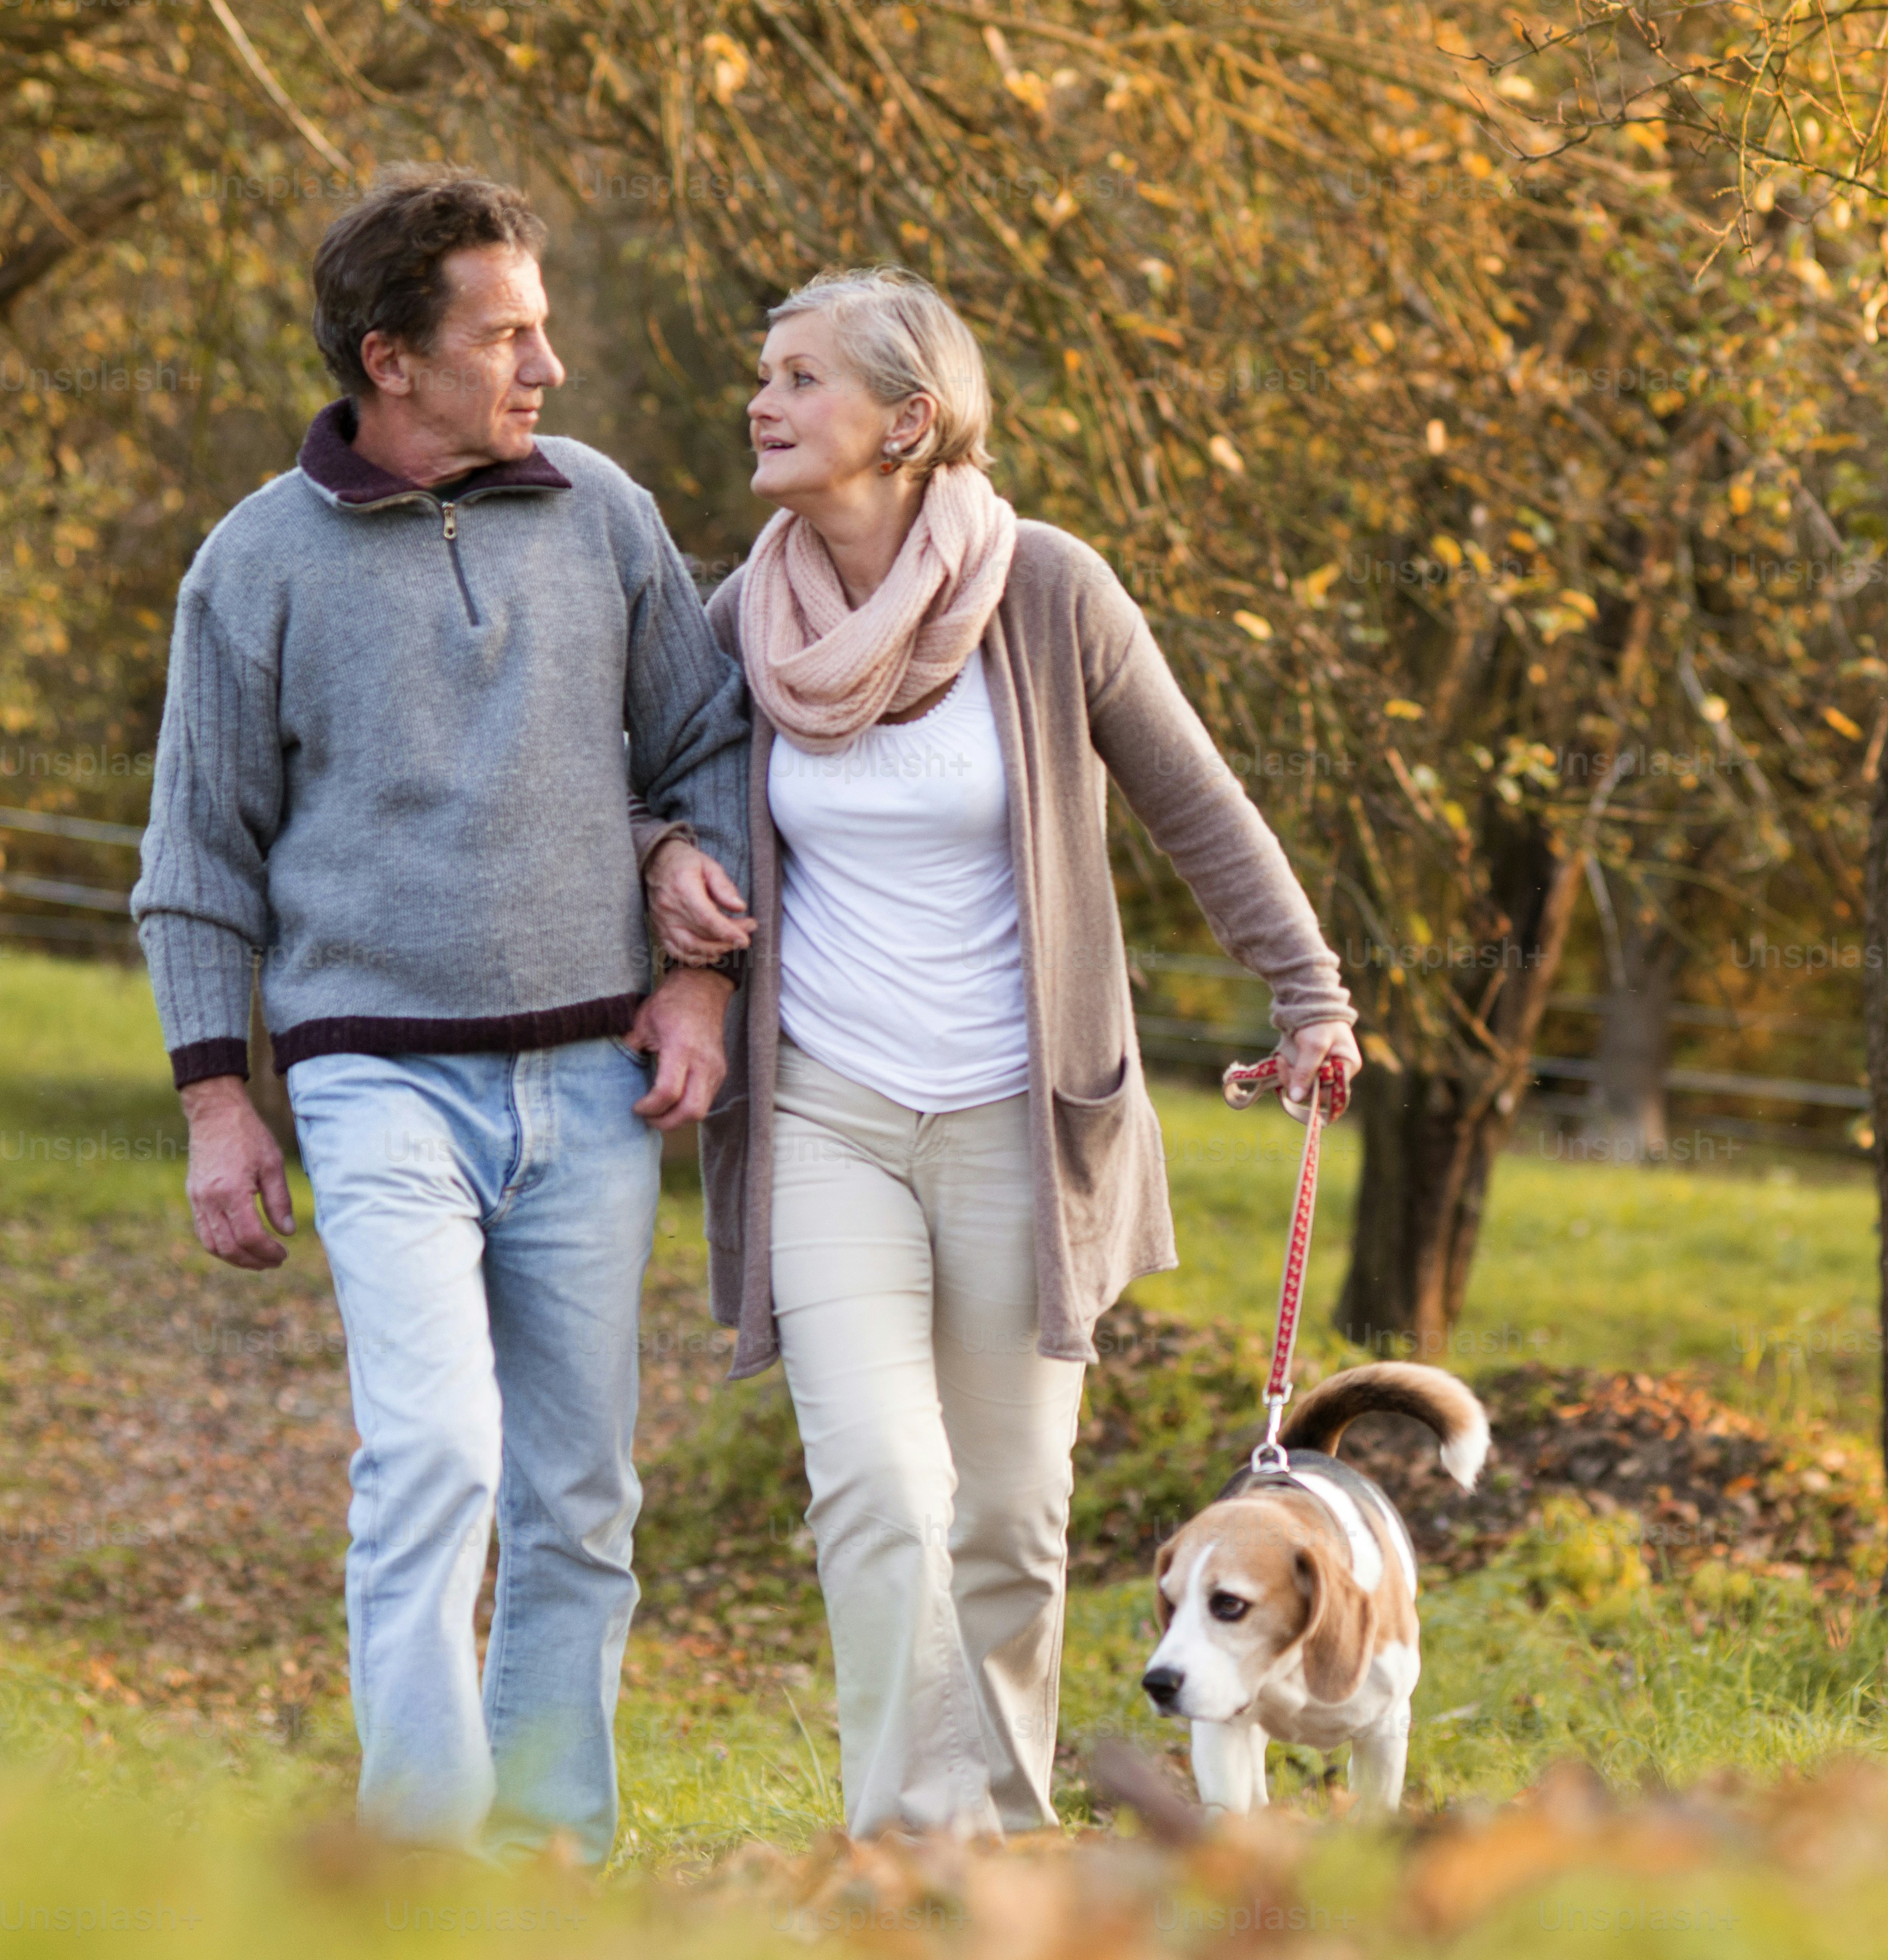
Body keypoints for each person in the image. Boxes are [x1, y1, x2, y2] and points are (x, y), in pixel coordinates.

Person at [638, 264, 1354, 1839]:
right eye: (765, 374)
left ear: (909, 419)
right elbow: (652, 781)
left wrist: (1311, 994)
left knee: (1016, 1520)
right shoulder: (736, 618)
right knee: (882, 1494)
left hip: (1024, 1127)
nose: (761, 403)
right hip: (826, 1112)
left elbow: (1196, 802)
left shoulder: (1045, 591)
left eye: (800, 377)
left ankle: (1010, 1833)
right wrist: (657, 861)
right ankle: (911, 1842)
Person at [134, 165, 750, 1860]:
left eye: (544, 331)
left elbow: (707, 748)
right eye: (508, 337)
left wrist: (698, 974)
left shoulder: (607, 514)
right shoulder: (253, 565)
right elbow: (198, 851)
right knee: (433, 1453)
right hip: (375, 1083)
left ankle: (545, 1850)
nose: (545, 366)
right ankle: (413, 1853)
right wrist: (214, 1101)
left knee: (581, 1495)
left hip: (593, 1084)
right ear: (389, 359)